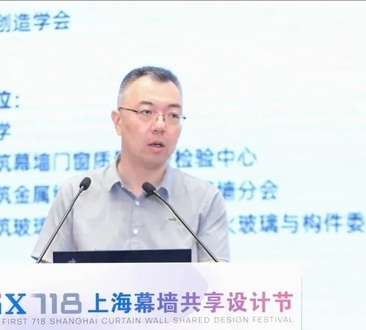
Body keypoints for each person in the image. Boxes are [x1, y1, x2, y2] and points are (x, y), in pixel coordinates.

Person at [30, 66, 231, 263]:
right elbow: (47, 277)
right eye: (146, 112)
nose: (160, 125)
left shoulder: (204, 199)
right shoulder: (77, 194)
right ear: (118, 121)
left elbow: (216, 280)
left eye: (172, 115)